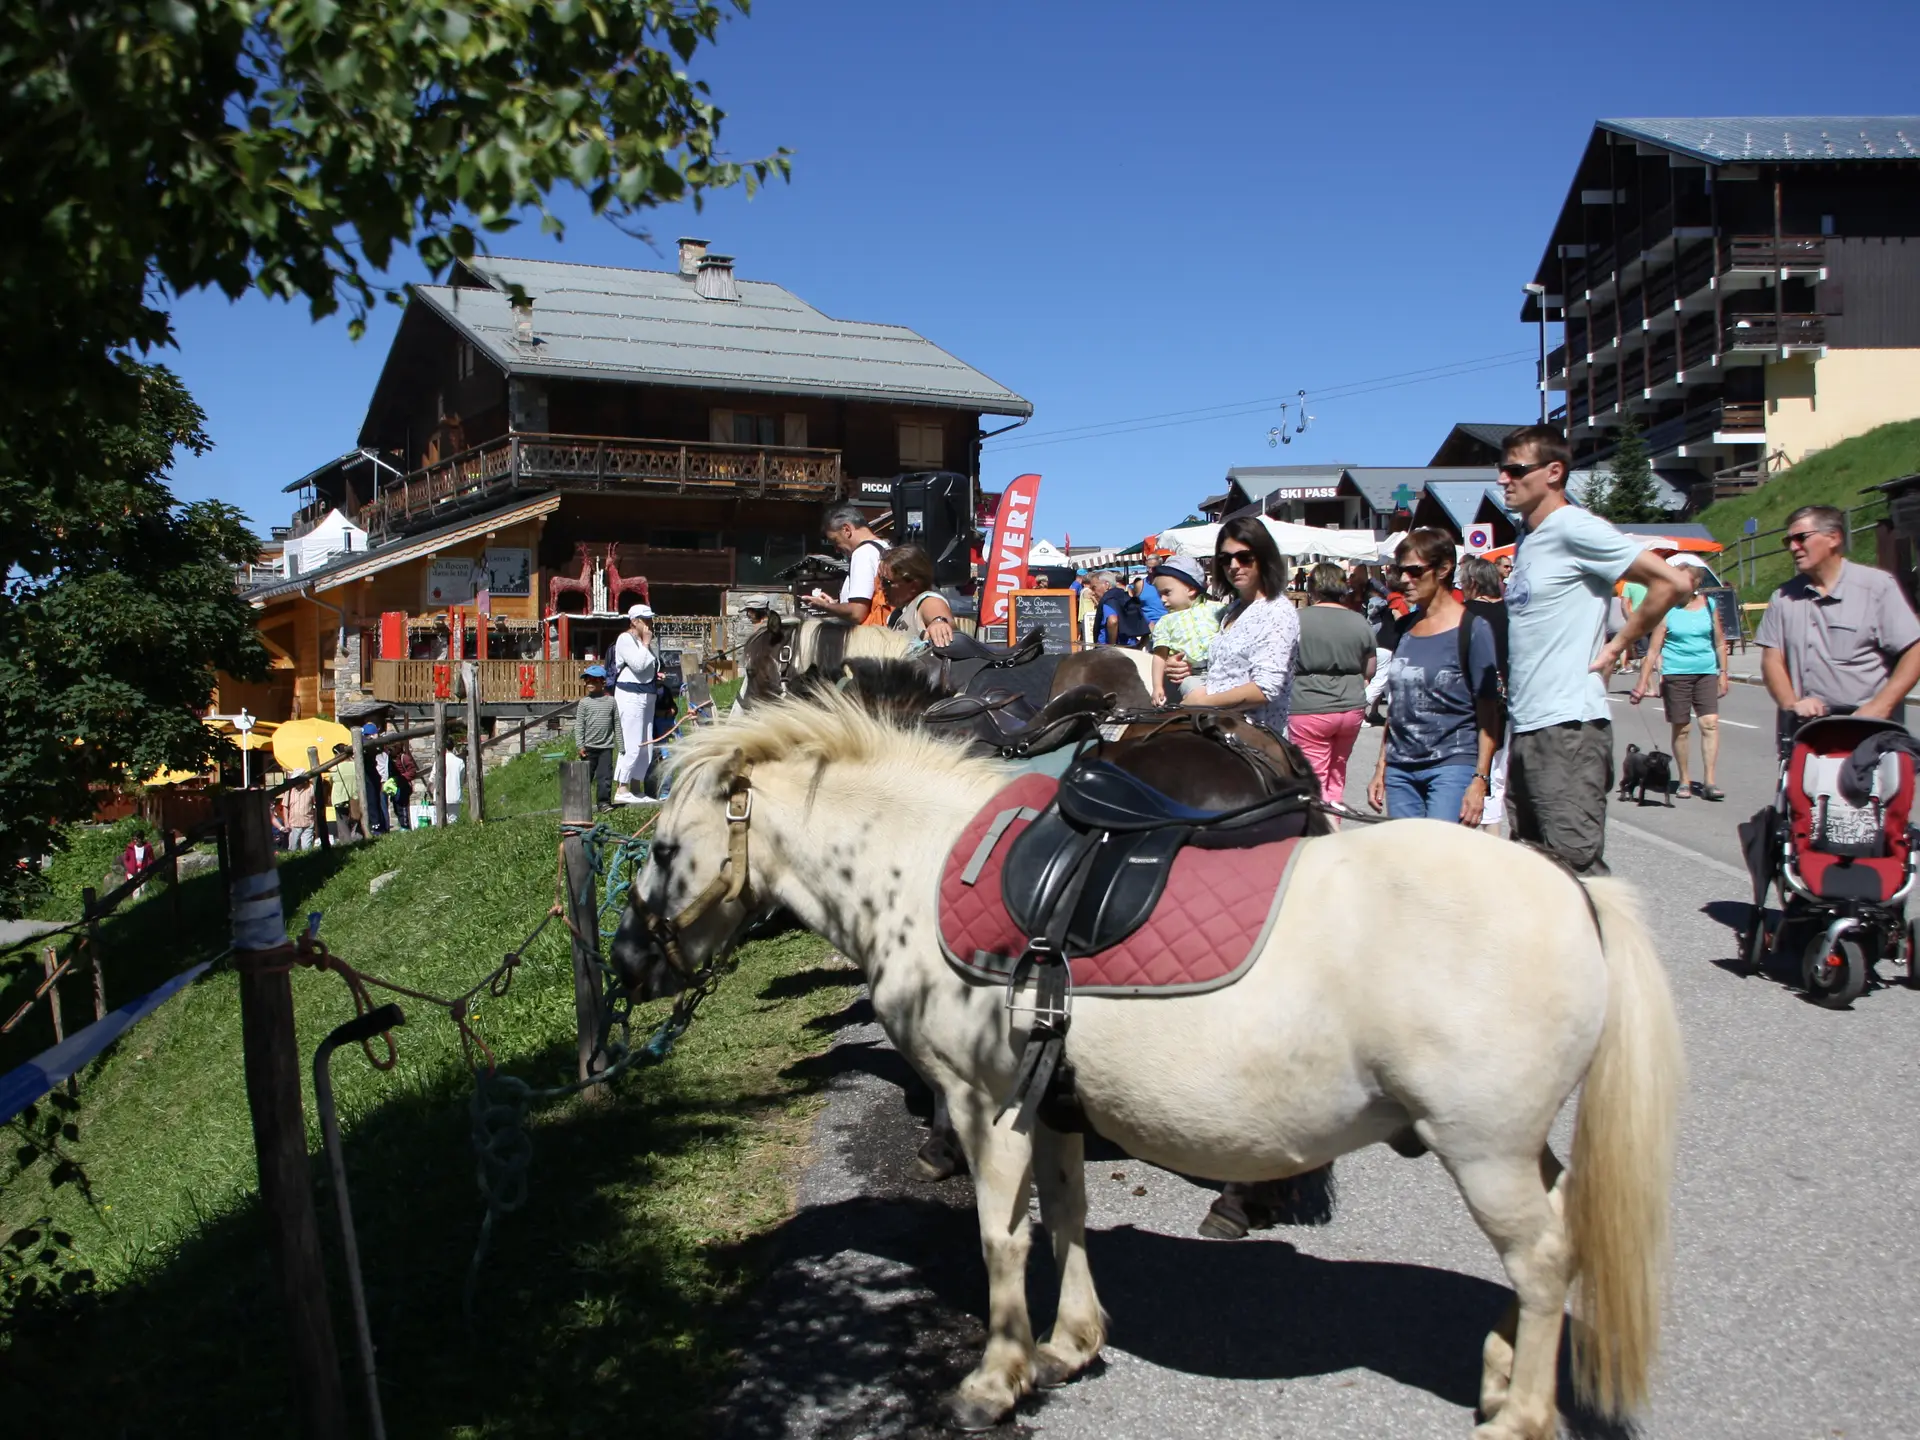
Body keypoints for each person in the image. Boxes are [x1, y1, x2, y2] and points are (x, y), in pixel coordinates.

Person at [1496, 424, 1686, 875]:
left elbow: (1672, 583)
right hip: (1528, 723)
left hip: (1568, 725)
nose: (1503, 479)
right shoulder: (1528, 539)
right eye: (1501, 470)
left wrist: (1620, 643)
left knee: (1574, 870)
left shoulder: (1573, 526)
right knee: (1532, 871)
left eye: (1515, 469)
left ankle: (1609, 946)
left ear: (1554, 472)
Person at [1755, 503, 1920, 757]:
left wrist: (1880, 706)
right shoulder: (1783, 597)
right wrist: (1793, 704)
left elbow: (1914, 650)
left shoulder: (1876, 588)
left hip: (1869, 734)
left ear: (1833, 537)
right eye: (1788, 540)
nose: (1792, 547)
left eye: (1801, 538)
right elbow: (1771, 661)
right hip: (1805, 734)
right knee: (1802, 796)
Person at [1365, 530, 1502, 823]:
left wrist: (1480, 779)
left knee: (1442, 862)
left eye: (1414, 571)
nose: (1404, 580)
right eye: (1400, 571)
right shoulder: (1405, 628)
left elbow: (1489, 711)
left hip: (1451, 766)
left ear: (1443, 569)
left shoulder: (1472, 628)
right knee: (1407, 864)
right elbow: (1398, 705)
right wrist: (1382, 766)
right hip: (1401, 770)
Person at [1163, 516, 1299, 734]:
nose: (1234, 566)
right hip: (1219, 728)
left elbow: (1266, 689)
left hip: (1255, 741)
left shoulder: (1276, 611)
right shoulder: (1233, 609)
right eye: (1226, 559)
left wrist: (1204, 701)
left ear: (1263, 558)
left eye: (1244, 557)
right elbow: (1227, 671)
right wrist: (1187, 667)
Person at [1289, 563, 1377, 809]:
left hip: (1309, 703)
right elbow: (1370, 669)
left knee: (1313, 779)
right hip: (1351, 705)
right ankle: (1334, 821)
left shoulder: (1297, 619)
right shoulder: (1359, 621)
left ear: (1313, 589)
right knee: (1336, 775)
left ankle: (1322, 834)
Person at [1456, 555, 1512, 834]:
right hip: (1509, 703)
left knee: (1472, 774)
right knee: (1497, 778)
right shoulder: (1512, 614)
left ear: (1473, 583)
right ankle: (1494, 841)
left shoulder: (1463, 615)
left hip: (1471, 703)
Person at [1147, 554, 1221, 704]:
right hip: (1192, 675)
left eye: (1167, 593)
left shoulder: (1217, 609)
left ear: (1191, 589)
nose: (1162, 600)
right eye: (1159, 594)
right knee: (1198, 696)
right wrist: (1157, 686)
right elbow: (1159, 656)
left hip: (1221, 670)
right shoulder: (1165, 622)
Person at [805, 504, 890, 626]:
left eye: (835, 541)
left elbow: (857, 613)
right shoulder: (884, 547)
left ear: (846, 530)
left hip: (869, 638)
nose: (836, 549)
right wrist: (836, 606)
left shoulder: (862, 553)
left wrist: (825, 606)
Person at [610, 602, 657, 806]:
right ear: (634, 621)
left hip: (648, 694)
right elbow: (638, 665)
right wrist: (646, 643)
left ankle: (636, 788)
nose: (649, 623)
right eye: (645, 620)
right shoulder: (625, 639)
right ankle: (622, 788)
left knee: (647, 744)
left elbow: (648, 665)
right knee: (632, 743)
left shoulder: (645, 641)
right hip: (630, 695)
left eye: (650, 619)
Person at [879, 543, 957, 646]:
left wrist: (939, 622)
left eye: (886, 582)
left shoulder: (928, 600)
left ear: (914, 585)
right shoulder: (898, 612)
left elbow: (940, 617)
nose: (881, 587)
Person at [575, 664, 621, 809]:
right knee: (585, 777)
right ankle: (581, 804)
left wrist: (622, 746)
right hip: (589, 748)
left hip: (606, 748)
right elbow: (579, 725)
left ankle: (603, 803)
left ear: (603, 682)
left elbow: (617, 723)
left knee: (605, 777)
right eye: (587, 680)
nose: (589, 684)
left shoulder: (611, 702)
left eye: (593, 680)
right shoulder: (584, 703)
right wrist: (580, 745)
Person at [1097, 569, 1150, 648]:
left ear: (1107, 585)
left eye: (1094, 587)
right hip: (1131, 648)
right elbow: (1148, 623)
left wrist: (1112, 647)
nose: (1092, 592)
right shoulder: (1128, 598)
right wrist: (1140, 645)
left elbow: (1113, 621)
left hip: (1110, 652)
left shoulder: (1109, 600)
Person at [360, 721, 390, 834]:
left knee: (376, 802)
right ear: (372, 735)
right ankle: (377, 826)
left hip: (373, 776)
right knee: (373, 801)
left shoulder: (372, 744)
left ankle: (378, 826)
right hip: (370, 776)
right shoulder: (368, 744)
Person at [329, 743, 362, 842]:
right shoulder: (356, 766)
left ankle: (347, 843)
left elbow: (331, 781)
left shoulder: (335, 768)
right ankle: (358, 839)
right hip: (355, 797)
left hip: (340, 798)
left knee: (342, 824)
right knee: (356, 820)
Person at [283, 775, 317, 851]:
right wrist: (286, 822)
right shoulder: (289, 790)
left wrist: (315, 820)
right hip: (293, 824)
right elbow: (285, 806)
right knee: (293, 848)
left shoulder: (311, 788)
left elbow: (316, 804)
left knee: (307, 849)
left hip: (308, 823)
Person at [437, 740, 466, 822]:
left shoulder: (438, 761)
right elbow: (462, 780)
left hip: (440, 795)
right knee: (453, 820)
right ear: (453, 747)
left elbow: (432, 778)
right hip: (454, 794)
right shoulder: (460, 762)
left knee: (440, 821)